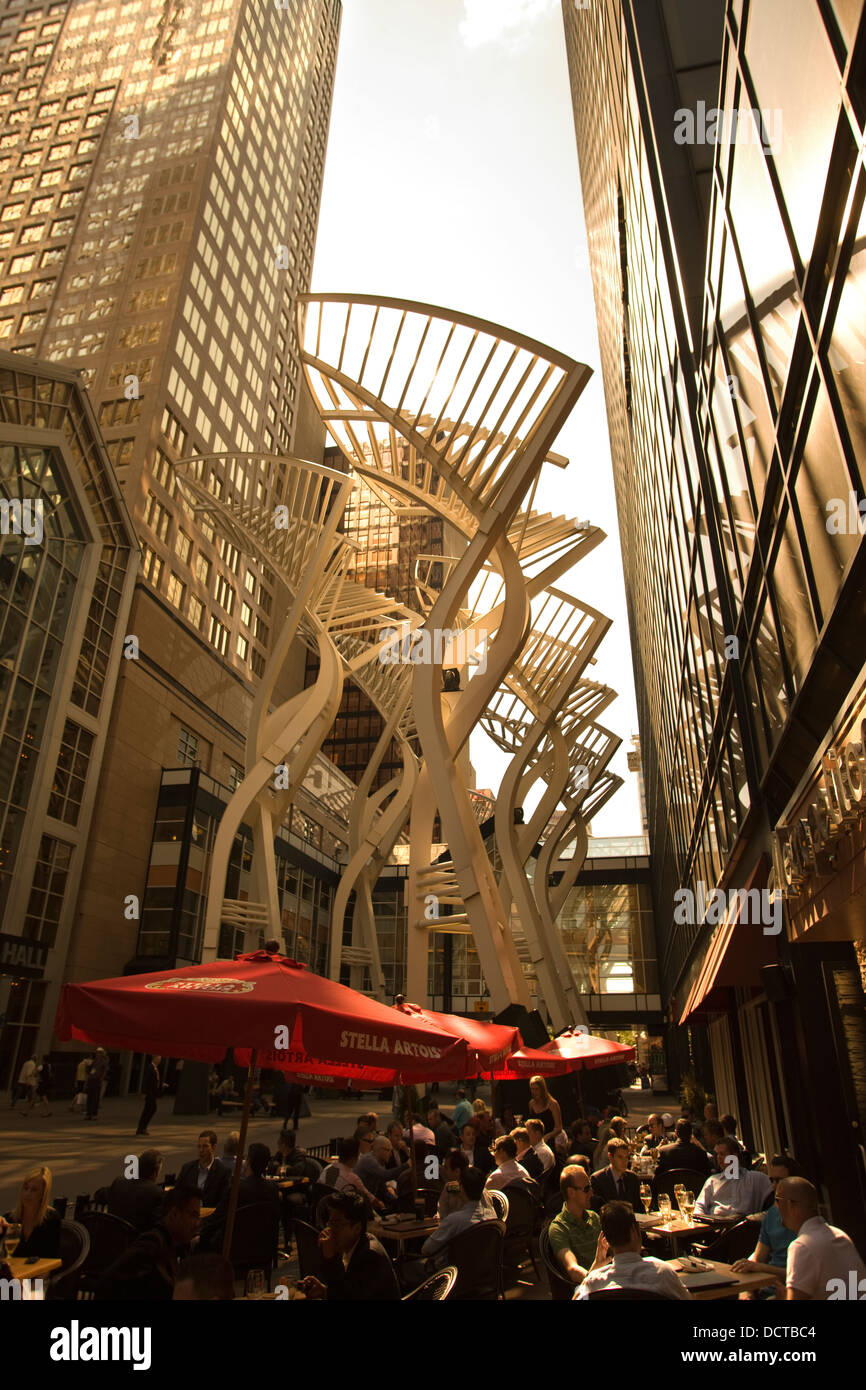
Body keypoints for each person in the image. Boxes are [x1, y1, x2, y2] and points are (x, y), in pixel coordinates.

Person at [96, 1187, 201, 1300]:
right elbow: (107, 1282)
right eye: (193, 1215)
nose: (197, 1224)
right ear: (174, 1214)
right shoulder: (151, 1245)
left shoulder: (172, 1245)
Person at [575, 1200, 692, 1300]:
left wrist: (595, 1267)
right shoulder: (662, 1274)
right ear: (635, 1231)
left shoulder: (593, 1283)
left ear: (606, 1240)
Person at [297, 1189, 400, 1301]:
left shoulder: (369, 1255)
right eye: (330, 1223)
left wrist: (331, 1259)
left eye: (336, 1224)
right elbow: (347, 1292)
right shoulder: (351, 1246)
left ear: (357, 1228)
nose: (330, 1230)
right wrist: (324, 1291)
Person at [776, 1177, 866, 1300]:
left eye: (777, 1200)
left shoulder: (801, 1246)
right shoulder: (841, 1235)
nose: (775, 1206)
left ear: (791, 1205)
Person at [731, 1156, 802, 1291]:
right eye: (772, 1180)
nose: (774, 1186)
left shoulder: (805, 1221)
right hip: (765, 1287)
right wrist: (746, 1291)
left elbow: (799, 1276)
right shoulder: (772, 1214)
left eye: (779, 1180)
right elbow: (757, 1258)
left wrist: (761, 1268)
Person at [199, 1142, 280, 1252]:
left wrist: (199, 1230)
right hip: (264, 1247)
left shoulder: (236, 1190)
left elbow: (217, 1219)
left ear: (248, 1162)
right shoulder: (272, 1189)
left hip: (233, 1248)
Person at [421, 1165, 497, 1267]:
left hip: (453, 1275)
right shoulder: (493, 1217)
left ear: (461, 1188)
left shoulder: (455, 1220)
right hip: (484, 1272)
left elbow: (427, 1250)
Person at [547, 1165, 604, 1287]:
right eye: (586, 1189)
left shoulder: (594, 1217)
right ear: (571, 1192)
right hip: (585, 1289)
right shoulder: (559, 1228)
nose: (592, 1193)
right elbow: (573, 1270)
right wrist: (596, 1281)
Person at [693, 1137, 772, 1218]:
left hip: (746, 1226)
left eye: (722, 1154)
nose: (719, 1158)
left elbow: (778, 1193)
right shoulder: (712, 1181)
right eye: (717, 1154)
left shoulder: (755, 1178)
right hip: (716, 1225)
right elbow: (699, 1206)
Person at [0, 1165, 61, 1257]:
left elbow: (51, 1257)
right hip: (14, 1270)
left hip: (40, 1270)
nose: (28, 1193)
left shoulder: (51, 1219)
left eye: (34, 1190)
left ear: (43, 1194)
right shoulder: (9, 1219)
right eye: (26, 1188)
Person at [106, 1149, 165, 1232]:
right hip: (134, 1240)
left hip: (111, 1234)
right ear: (155, 1173)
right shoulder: (157, 1193)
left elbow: (99, 1195)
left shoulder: (119, 1182)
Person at [321, 1137, 385, 1211]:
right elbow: (372, 1201)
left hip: (322, 1214)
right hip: (341, 1216)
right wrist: (382, 1205)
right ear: (353, 1158)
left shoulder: (326, 1169)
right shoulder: (352, 1179)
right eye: (358, 1154)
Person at [176, 1130, 232, 1207]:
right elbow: (177, 1194)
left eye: (205, 1146)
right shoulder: (187, 1168)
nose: (201, 1150)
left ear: (213, 1147)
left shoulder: (223, 1172)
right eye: (199, 1146)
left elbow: (224, 1202)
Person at [591, 1137, 643, 1210]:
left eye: (626, 1157)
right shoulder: (598, 1179)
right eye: (620, 1157)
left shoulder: (633, 1178)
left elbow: (639, 1207)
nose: (624, 1161)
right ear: (610, 1157)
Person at [355, 1135, 397, 1202]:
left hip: (366, 1200)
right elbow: (386, 1175)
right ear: (380, 1150)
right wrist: (407, 1165)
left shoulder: (380, 1164)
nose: (391, 1154)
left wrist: (397, 1202)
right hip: (360, 1203)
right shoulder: (369, 1160)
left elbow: (384, 1191)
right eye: (389, 1150)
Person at [527, 1075, 563, 1148]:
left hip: (549, 1141)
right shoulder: (531, 1104)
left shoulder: (552, 1104)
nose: (534, 1092)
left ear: (542, 1089)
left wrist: (547, 1136)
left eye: (536, 1089)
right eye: (532, 1089)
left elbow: (559, 1128)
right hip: (535, 1142)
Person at [136, 1054, 161, 1136]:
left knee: (149, 1110)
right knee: (150, 1109)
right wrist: (144, 1092)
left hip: (153, 1093)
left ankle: (142, 1128)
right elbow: (146, 1080)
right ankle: (142, 1128)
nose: (160, 1060)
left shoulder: (155, 1068)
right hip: (150, 1093)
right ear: (154, 1058)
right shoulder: (150, 1068)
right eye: (159, 1058)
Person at [84, 1046, 108, 1120]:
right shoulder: (94, 1061)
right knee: (90, 1097)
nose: (98, 1054)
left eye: (99, 1053)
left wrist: (101, 1079)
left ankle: (94, 1114)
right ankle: (88, 1113)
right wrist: (87, 1067)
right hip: (91, 1079)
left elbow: (104, 1072)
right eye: (97, 1053)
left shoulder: (104, 1062)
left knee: (95, 1098)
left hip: (97, 1080)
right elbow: (89, 1070)